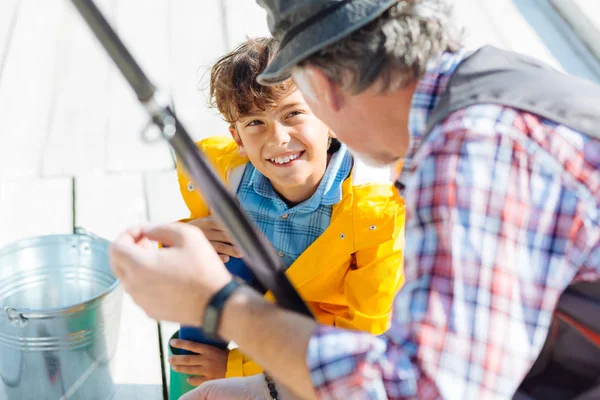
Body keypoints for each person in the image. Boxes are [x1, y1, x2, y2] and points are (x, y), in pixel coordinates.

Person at [110, 0, 600, 399]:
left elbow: (417, 391)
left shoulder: (472, 153)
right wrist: (266, 388)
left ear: (320, 85)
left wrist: (221, 306)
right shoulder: (499, 85)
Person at [167, 36, 406, 391]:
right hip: (260, 294)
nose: (278, 139)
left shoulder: (375, 213)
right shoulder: (221, 177)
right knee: (189, 339)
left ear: (328, 115)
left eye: (293, 114)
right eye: (255, 123)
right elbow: (173, 262)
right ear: (237, 139)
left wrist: (234, 367)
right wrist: (186, 238)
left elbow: (361, 334)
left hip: (324, 327)